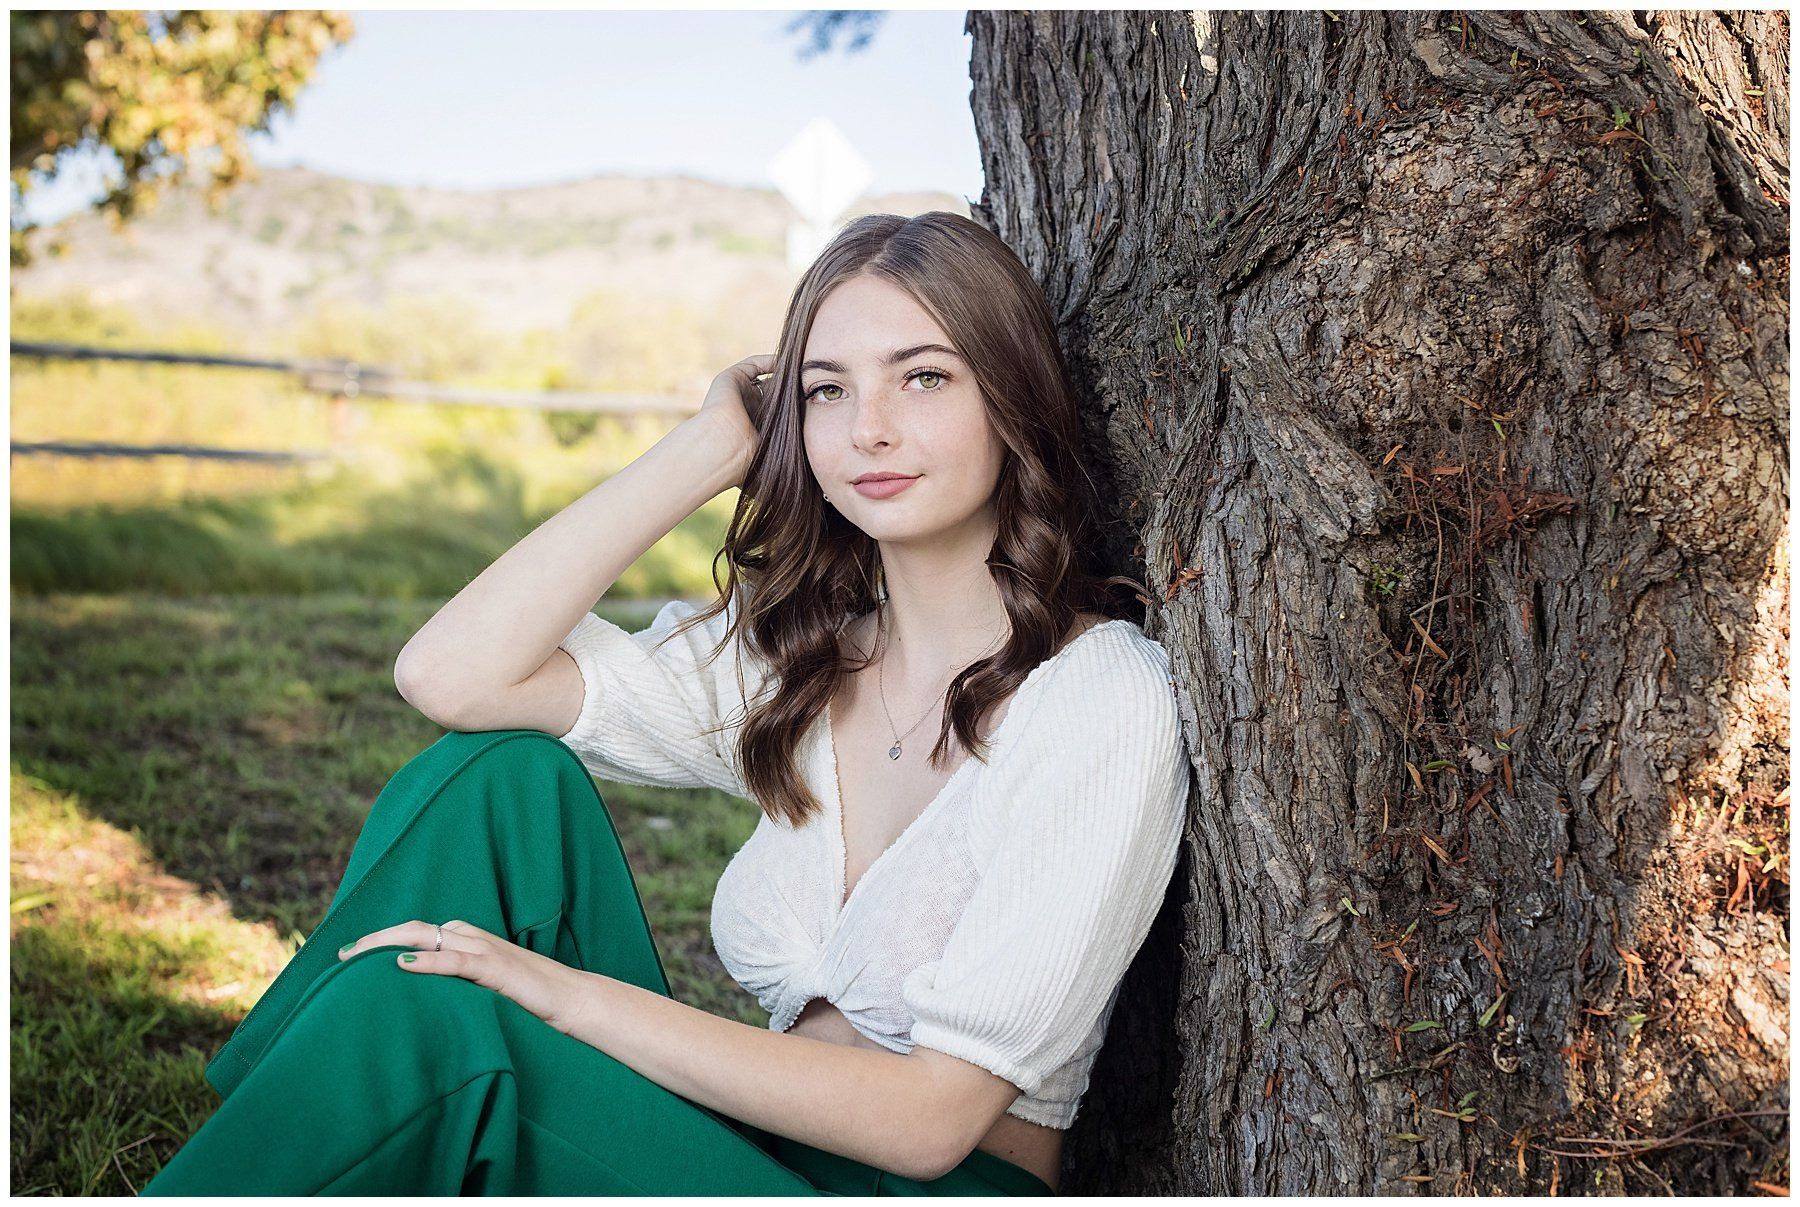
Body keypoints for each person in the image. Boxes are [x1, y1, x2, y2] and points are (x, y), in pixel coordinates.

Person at [140, 211, 1190, 1196]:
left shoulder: (1098, 697)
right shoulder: (800, 660)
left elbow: (931, 1120)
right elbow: (453, 676)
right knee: (497, 779)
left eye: (923, 378)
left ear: (1012, 398)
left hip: (921, 1186)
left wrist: (562, 997)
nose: (868, 428)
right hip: (749, 1147)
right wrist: (708, 451)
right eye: (825, 389)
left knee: (439, 1015)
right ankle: (291, 1129)